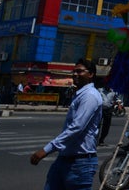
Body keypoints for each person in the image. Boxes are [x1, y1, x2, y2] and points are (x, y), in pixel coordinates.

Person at [30, 58, 102, 190]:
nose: (75, 74)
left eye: (80, 71)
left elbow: (77, 127)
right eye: (74, 71)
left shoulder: (90, 96)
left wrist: (46, 150)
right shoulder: (79, 94)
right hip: (65, 158)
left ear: (90, 74)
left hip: (80, 163)